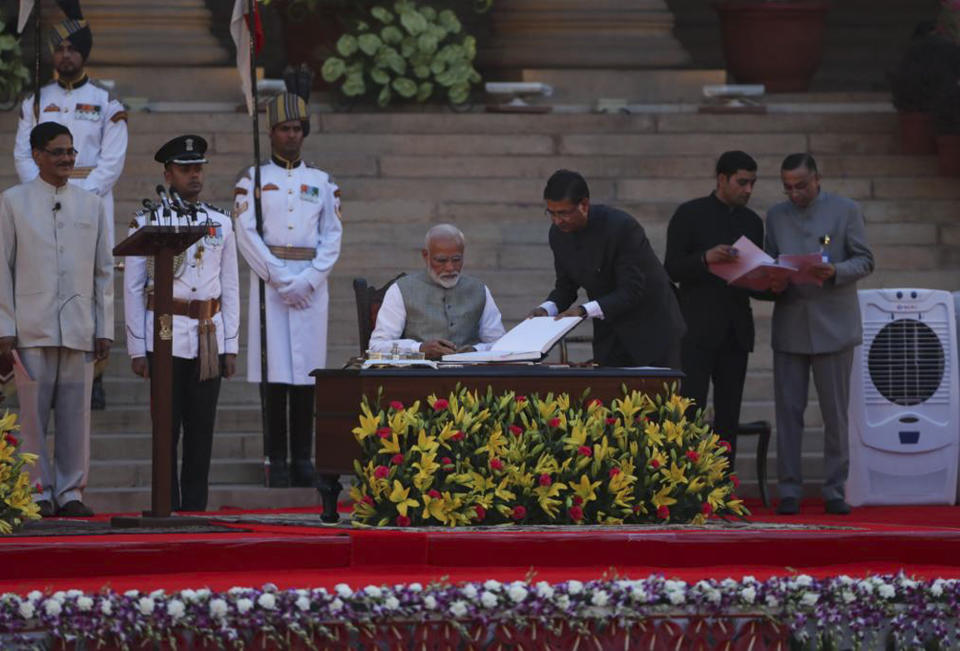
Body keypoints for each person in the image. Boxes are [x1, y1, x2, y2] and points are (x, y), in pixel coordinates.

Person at [13, 1, 128, 410]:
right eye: (59, 48)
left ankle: (94, 372)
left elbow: (112, 161)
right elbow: (24, 154)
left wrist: (78, 195)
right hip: (41, 203)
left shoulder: (106, 104)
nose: (65, 56)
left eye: (72, 49)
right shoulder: (36, 101)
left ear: (84, 53)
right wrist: (44, 188)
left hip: (91, 203)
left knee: (93, 284)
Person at [0, 122, 113, 518]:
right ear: (36, 156)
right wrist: (4, 328)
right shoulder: (12, 202)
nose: (67, 158)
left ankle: (70, 492)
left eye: (71, 152)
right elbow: (2, 269)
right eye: (58, 151)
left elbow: (103, 272)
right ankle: (34, 493)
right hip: (30, 327)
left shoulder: (92, 203)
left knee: (76, 416)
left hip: (80, 326)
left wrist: (105, 327)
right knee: (29, 418)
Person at [123, 135, 239, 512]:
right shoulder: (147, 222)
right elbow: (133, 288)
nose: (194, 175)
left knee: (201, 427)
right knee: (166, 427)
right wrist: (137, 347)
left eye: (198, 168)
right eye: (185, 169)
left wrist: (231, 344)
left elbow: (231, 287)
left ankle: (195, 508)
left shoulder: (220, 222)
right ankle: (165, 505)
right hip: (164, 331)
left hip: (207, 333)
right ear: (167, 174)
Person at [234, 88, 342, 489]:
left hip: (312, 286)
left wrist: (310, 279)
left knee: (307, 374)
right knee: (275, 372)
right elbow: (246, 234)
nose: (291, 135)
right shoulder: (253, 180)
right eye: (283, 128)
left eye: (297, 128)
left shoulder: (322, 181)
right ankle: (275, 457)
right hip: (270, 285)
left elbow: (332, 235)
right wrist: (280, 278)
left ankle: (303, 457)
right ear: (271, 132)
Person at [765, 153, 874, 516]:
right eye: (788, 188)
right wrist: (771, 278)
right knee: (788, 412)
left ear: (817, 179)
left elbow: (865, 260)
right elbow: (769, 261)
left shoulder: (846, 210)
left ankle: (834, 488)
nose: (794, 194)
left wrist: (837, 271)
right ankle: (790, 489)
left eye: (801, 186)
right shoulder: (776, 216)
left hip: (834, 323)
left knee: (834, 413)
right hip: (792, 321)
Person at [664, 151, 764, 463]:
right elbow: (671, 269)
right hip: (696, 331)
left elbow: (757, 275)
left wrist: (773, 281)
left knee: (728, 416)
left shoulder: (752, 222)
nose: (748, 189)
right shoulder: (690, 214)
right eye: (742, 182)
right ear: (722, 179)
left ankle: (722, 485)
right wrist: (706, 258)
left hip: (736, 332)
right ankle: (685, 483)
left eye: (752, 183)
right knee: (689, 411)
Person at [530, 169, 685, 368]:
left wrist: (583, 311)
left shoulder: (621, 227)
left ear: (584, 205)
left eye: (563, 213)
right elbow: (565, 287)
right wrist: (546, 309)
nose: (557, 221)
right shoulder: (558, 235)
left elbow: (632, 289)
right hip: (610, 331)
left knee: (658, 397)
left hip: (652, 329)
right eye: (551, 213)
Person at [369, 224, 507, 360]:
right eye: (441, 260)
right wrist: (419, 348)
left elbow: (501, 345)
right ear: (425, 256)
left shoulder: (479, 289)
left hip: (469, 375)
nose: (450, 267)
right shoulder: (401, 289)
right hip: (419, 376)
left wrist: (476, 350)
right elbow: (377, 346)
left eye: (456, 260)